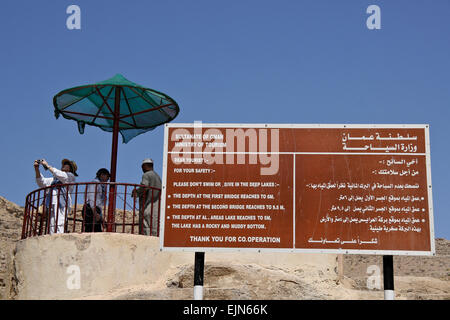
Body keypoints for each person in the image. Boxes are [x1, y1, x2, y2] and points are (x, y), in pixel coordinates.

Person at [34, 158, 77, 234]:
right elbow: (41, 182)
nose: (64, 165)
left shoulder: (70, 176)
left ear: (71, 169)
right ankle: (52, 238)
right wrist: (37, 169)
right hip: (52, 202)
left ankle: (59, 237)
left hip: (62, 203)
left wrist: (47, 166)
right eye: (64, 164)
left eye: (67, 165)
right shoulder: (54, 180)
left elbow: (58, 173)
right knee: (52, 223)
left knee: (60, 221)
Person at [132, 158, 161, 236]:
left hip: (148, 206)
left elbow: (145, 186)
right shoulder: (157, 176)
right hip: (156, 208)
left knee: (146, 228)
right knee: (154, 228)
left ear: (145, 166)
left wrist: (136, 192)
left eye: (142, 167)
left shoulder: (146, 175)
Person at [83, 168, 110, 232]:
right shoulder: (95, 183)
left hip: (94, 210)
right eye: (107, 177)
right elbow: (92, 198)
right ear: (102, 175)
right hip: (90, 210)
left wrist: (101, 218)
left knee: (95, 231)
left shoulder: (101, 186)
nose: (108, 179)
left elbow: (99, 204)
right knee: (92, 231)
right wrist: (95, 213)